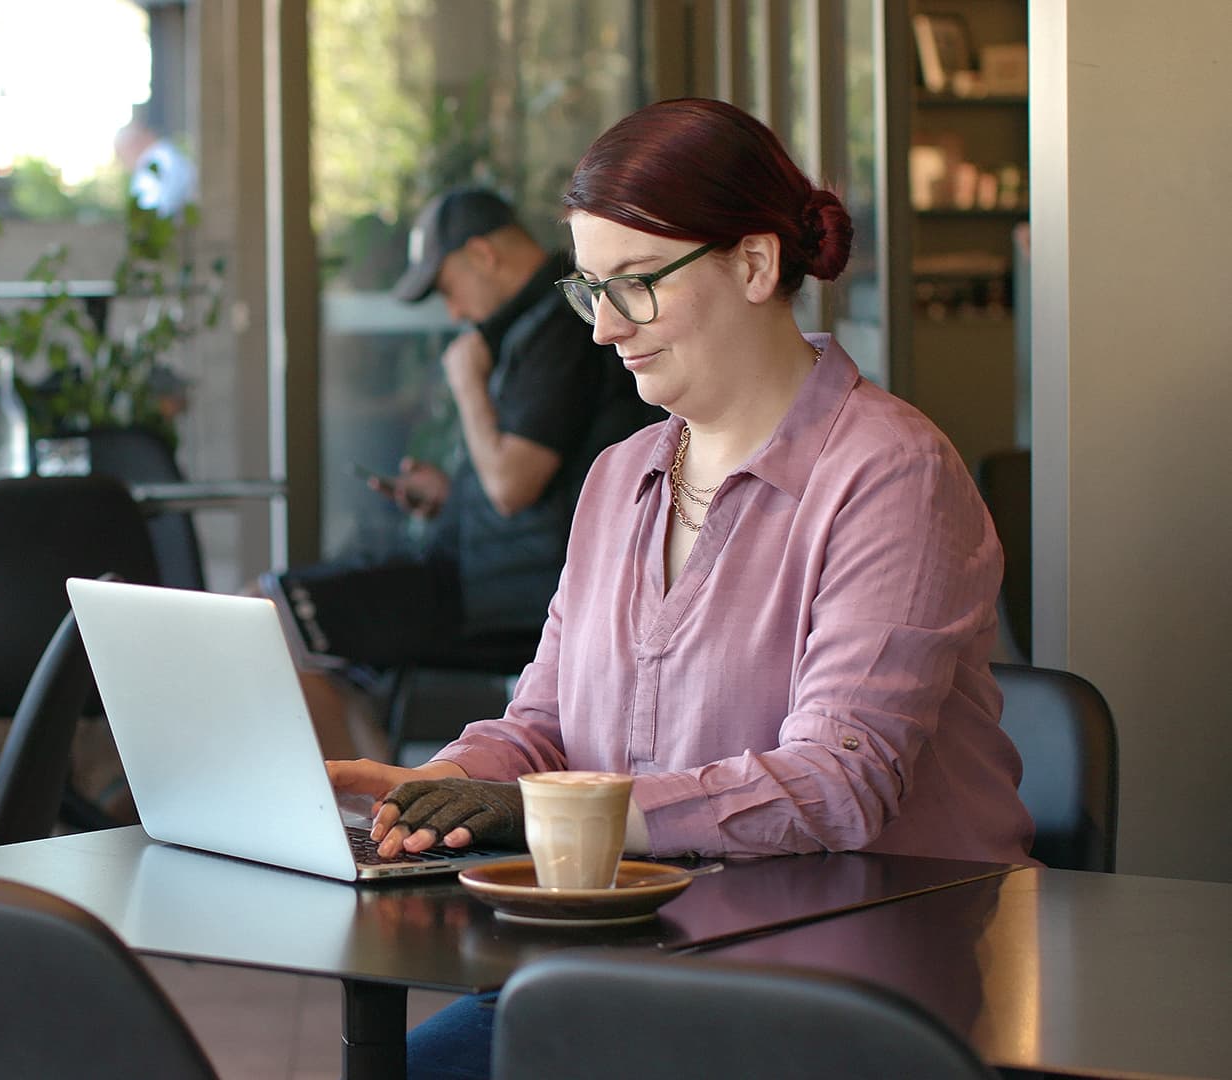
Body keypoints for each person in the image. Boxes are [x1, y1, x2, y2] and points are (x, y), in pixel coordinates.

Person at [323, 100, 1034, 1080]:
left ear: (753, 265)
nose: (607, 328)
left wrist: (553, 815)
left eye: (638, 286)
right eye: (591, 291)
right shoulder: (621, 478)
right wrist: (438, 791)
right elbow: (542, 726)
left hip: (850, 1004)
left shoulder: (890, 474)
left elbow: (839, 784)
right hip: (627, 972)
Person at [261, 187, 660, 755]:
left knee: (274, 615)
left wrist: (468, 383)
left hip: (498, 593)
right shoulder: (534, 325)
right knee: (281, 618)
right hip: (479, 573)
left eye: (446, 287)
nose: (452, 312)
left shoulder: (560, 326)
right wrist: (451, 495)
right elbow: (537, 477)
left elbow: (512, 486)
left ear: (482, 254)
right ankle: (377, 803)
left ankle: (358, 818)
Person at [112, 116, 197, 219]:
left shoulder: (154, 162)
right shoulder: (168, 153)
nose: (125, 163)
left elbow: (156, 211)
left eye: (122, 155)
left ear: (133, 145)